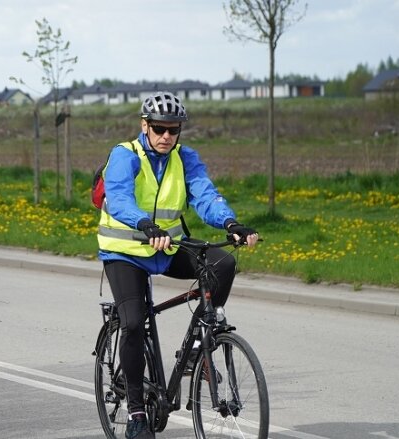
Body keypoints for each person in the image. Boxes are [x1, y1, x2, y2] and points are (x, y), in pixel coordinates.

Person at [97, 91, 259, 439]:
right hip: (124, 252)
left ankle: (199, 351)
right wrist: (144, 224)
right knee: (135, 323)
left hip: (165, 249)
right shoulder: (125, 155)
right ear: (145, 126)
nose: (166, 136)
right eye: (159, 129)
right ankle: (137, 411)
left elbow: (204, 194)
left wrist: (230, 224)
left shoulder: (184, 159)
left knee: (223, 263)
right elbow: (120, 196)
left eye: (173, 130)